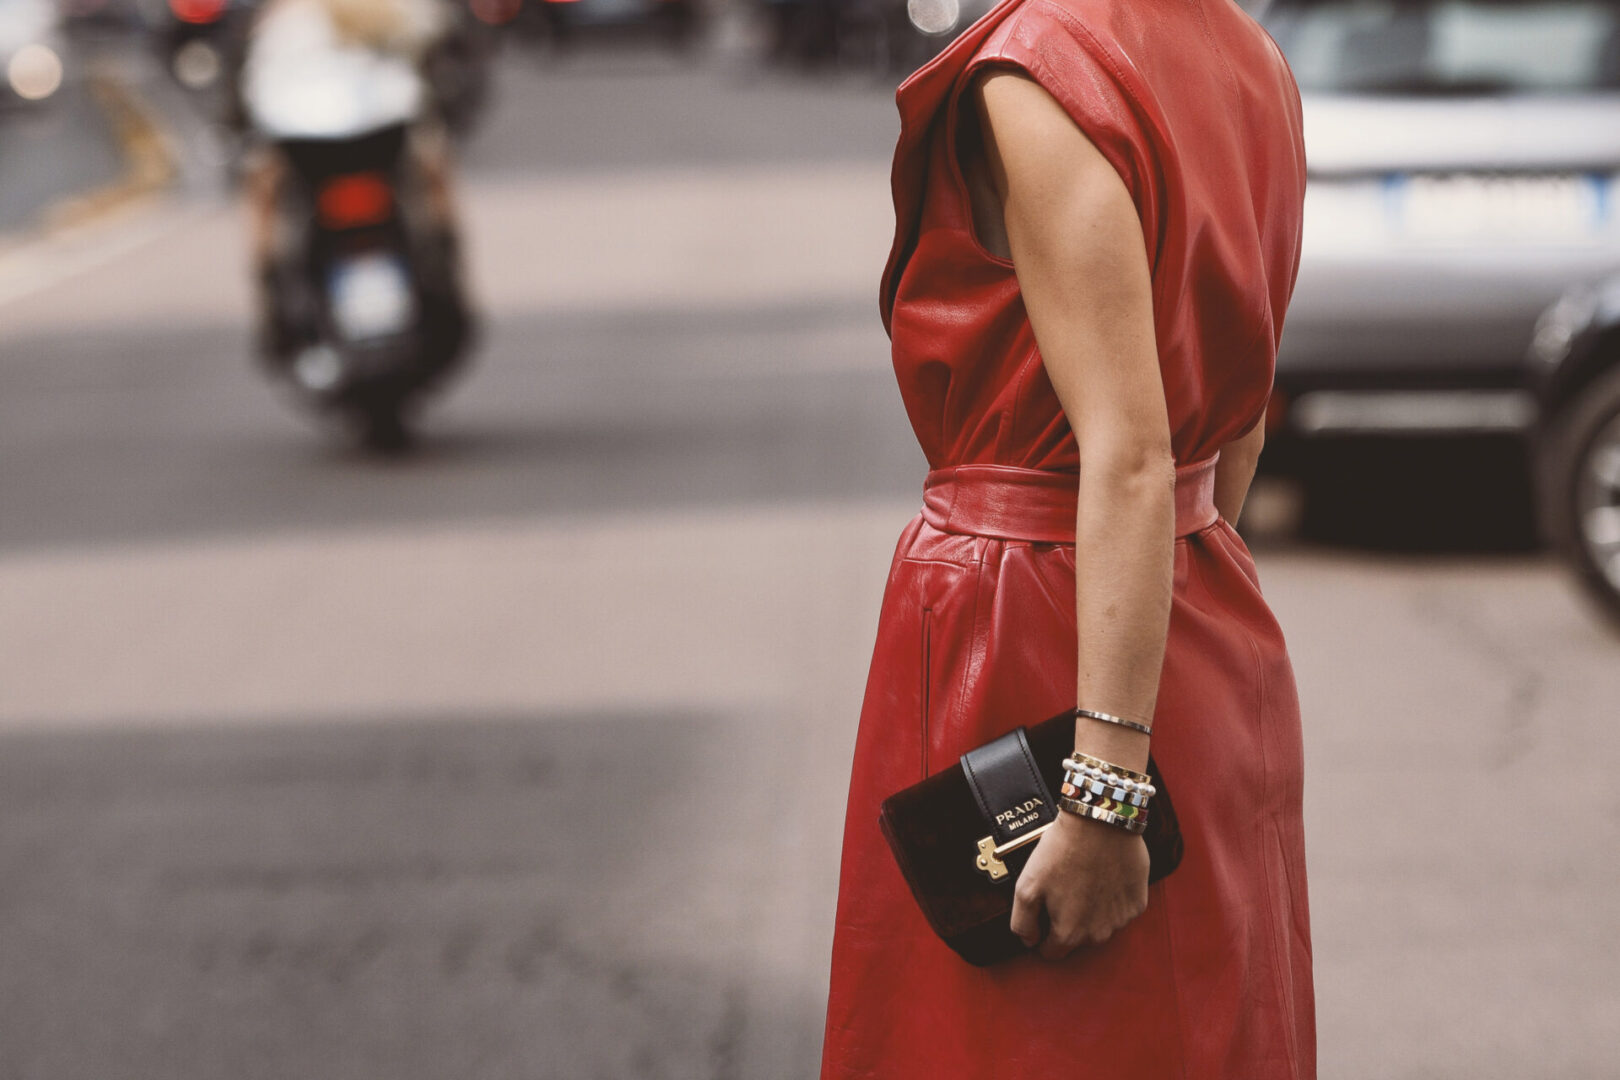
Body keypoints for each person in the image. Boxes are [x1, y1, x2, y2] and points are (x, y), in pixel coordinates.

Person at [819, 0, 1313, 1075]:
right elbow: (1233, 428)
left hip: (1035, 629)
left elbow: (1126, 454)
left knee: (1017, 1042)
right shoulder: (1252, 59)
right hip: (1195, 609)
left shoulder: (1039, 68)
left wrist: (1103, 794)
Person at [234, 0, 466, 359]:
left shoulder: (277, 19)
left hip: (318, 137)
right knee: (433, 167)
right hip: (362, 133)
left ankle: (270, 291)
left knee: (262, 187)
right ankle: (446, 262)